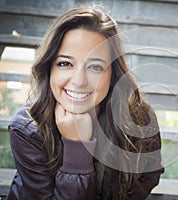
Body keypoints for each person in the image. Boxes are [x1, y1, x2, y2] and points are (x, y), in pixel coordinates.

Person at [7, 5, 164, 200]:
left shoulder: (139, 118)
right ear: (49, 68)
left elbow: (149, 176)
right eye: (65, 63)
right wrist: (76, 146)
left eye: (95, 67)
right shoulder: (27, 129)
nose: (79, 81)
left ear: (113, 73)